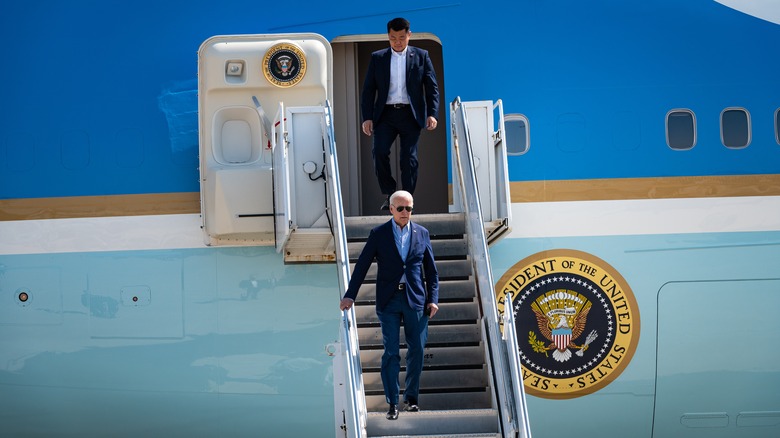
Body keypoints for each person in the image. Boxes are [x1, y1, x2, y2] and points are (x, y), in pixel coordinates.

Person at [340, 190, 439, 420]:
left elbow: (431, 271)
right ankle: (393, 403)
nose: (406, 212)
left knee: (417, 349)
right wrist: (350, 295)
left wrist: (433, 299)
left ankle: (411, 399)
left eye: (410, 208)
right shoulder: (379, 234)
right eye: (401, 208)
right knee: (391, 353)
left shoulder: (422, 233)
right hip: (389, 300)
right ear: (391, 208)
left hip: (416, 300)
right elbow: (363, 265)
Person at [361, 17, 440, 210]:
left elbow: (432, 88)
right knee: (379, 152)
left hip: (410, 115)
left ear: (409, 35)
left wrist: (432, 114)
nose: (397, 42)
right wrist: (367, 117)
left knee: (409, 158)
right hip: (385, 115)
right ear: (388, 36)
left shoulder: (422, 56)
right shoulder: (378, 57)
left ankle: (407, 199)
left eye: (402, 38)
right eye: (393, 38)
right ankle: (390, 194)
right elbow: (368, 90)